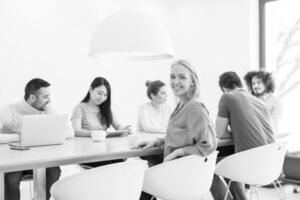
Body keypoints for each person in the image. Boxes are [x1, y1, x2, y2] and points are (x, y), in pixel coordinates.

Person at [136, 60, 217, 200]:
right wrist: (158, 142)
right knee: (142, 177)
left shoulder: (195, 108)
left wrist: (180, 151)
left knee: (138, 182)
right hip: (173, 170)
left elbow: (208, 145)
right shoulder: (180, 105)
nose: (175, 81)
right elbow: (181, 136)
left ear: (192, 81)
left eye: (182, 77)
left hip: (180, 176)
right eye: (173, 77)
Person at [216, 71, 275, 200]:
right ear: (240, 83)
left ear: (224, 89)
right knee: (229, 160)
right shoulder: (259, 101)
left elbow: (219, 132)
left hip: (251, 166)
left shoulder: (227, 97)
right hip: (272, 165)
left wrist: (236, 131)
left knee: (210, 164)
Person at [0, 78, 61, 200]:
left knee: (54, 170)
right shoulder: (8, 111)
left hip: (38, 160)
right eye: (45, 97)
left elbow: (67, 132)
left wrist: (50, 110)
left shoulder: (46, 110)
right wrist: (20, 137)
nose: (49, 101)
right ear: (32, 98)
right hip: (14, 162)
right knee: (11, 177)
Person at [71, 77, 131, 167]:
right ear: (90, 90)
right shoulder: (79, 108)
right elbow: (76, 130)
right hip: (87, 153)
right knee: (113, 165)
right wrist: (97, 133)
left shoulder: (106, 109)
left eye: (105, 95)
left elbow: (118, 126)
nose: (102, 98)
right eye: (99, 93)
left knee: (120, 159)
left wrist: (123, 130)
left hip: (105, 152)